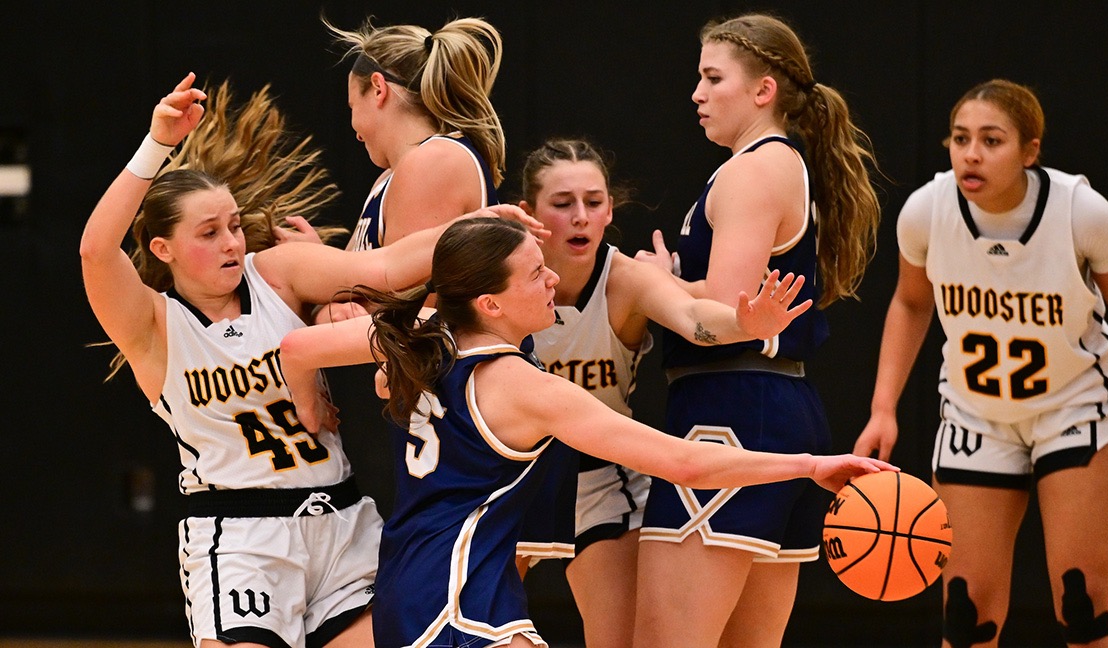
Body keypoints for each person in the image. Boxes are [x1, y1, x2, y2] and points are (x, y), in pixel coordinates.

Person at [276, 216, 896, 648]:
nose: (552, 280)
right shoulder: (522, 387)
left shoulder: (420, 335)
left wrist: (314, 411)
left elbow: (297, 348)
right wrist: (809, 466)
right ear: (490, 304)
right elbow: (686, 465)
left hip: (413, 594)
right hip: (457, 607)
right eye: (534, 273)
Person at [79, 73, 538, 648]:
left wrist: (474, 226)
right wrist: (157, 145)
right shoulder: (151, 327)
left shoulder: (277, 273)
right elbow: (96, 250)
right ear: (162, 249)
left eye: (234, 227)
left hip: (340, 524)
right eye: (209, 233)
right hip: (242, 540)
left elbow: (388, 269)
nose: (231, 243)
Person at [853, 79, 1108, 648]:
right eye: (961, 138)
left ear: (1030, 151)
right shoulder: (926, 211)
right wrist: (882, 409)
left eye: (991, 140)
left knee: (1084, 607)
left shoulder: (1081, 212)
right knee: (967, 618)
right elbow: (912, 302)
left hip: (1074, 408)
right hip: (976, 415)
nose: (971, 153)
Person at [631, 13, 883, 647]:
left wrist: (654, 282)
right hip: (781, 410)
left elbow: (726, 314)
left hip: (728, 413)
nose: (697, 93)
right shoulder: (779, 165)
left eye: (714, 78)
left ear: (763, 90)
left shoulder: (753, 169)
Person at [514, 138, 810, 647]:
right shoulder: (499, 274)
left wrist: (743, 322)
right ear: (529, 214)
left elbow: (695, 319)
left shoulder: (624, 281)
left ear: (610, 210)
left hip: (595, 480)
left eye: (594, 202)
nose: (581, 216)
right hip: (509, 473)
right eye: (563, 204)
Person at [323, 14, 505, 252]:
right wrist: (314, 254)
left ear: (378, 89)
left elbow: (410, 289)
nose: (356, 132)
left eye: (352, 106)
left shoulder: (435, 161)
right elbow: (351, 278)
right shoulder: (388, 178)